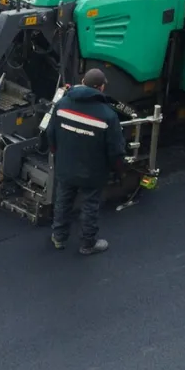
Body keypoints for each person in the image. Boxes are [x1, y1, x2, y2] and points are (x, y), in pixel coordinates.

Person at [41, 67, 124, 255]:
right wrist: (118, 170)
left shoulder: (62, 105)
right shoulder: (108, 115)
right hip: (92, 171)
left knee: (63, 200)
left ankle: (58, 237)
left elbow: (50, 133)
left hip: (66, 166)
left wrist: (57, 153)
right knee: (89, 206)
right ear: (101, 88)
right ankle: (88, 244)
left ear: (83, 82)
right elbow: (115, 150)